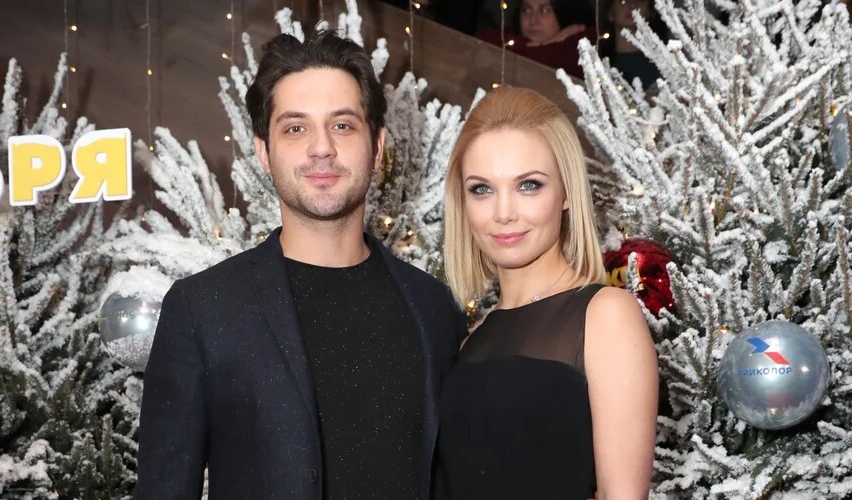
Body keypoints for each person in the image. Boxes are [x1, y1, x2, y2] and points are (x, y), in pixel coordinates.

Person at [134, 30, 465, 500]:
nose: (321, 147)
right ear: (264, 153)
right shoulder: (201, 310)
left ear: (377, 147)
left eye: (343, 125)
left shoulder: (434, 308)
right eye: (295, 128)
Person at [438, 86, 658, 499]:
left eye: (529, 185)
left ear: (567, 192)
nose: (504, 213)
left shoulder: (606, 315)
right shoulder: (473, 337)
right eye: (481, 189)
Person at [475, 0, 595, 79]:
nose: (533, 20)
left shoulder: (580, 44)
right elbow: (481, 40)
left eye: (545, 10)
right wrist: (540, 44)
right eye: (526, 10)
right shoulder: (511, 37)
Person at [599, 0, 663, 90]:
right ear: (610, 10)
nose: (632, 5)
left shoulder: (661, 63)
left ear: (649, 11)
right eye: (623, 1)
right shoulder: (599, 61)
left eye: (639, 1)